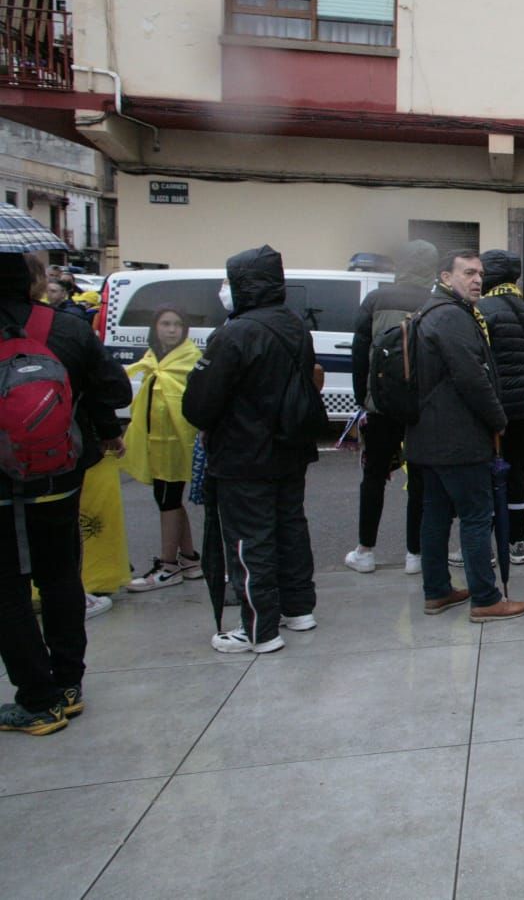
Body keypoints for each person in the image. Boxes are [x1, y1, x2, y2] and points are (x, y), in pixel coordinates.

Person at [0, 253, 130, 735]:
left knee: (7, 589)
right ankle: (69, 686)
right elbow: (115, 390)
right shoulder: (68, 329)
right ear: (32, 280)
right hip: (59, 478)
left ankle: (37, 699)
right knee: (59, 577)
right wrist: (98, 424)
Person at [182, 247, 324, 654]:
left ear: (244, 284)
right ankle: (299, 608)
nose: (225, 291)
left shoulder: (234, 334)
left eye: (229, 282)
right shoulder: (296, 325)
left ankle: (259, 628)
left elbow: (200, 404)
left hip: (244, 453)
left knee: (249, 539)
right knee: (290, 527)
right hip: (291, 446)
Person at [407, 251, 524, 624]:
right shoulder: (451, 317)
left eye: (480, 274)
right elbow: (472, 378)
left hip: (427, 435)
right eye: (468, 273)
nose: (477, 280)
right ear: (447, 276)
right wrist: (498, 419)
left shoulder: (431, 311)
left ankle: (438, 591)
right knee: (477, 516)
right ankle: (486, 598)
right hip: (458, 437)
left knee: (437, 514)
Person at [346, 240, 436, 576]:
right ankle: (416, 553)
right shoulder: (435, 302)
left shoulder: (375, 300)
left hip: (380, 405)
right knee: (420, 479)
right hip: (422, 407)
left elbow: (359, 354)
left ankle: (365, 550)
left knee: (373, 476)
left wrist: (363, 399)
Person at [476, 250, 524, 566]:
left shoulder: (480, 310)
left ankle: (487, 547)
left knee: (487, 476)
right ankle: (518, 542)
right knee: (517, 474)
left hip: (491, 411)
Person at [123, 307, 204, 591]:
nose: (171, 329)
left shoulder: (190, 359)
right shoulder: (154, 358)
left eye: (177, 324)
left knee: (168, 499)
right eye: (165, 323)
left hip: (177, 444)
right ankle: (190, 560)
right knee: (168, 499)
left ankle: (168, 566)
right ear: (155, 327)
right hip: (156, 442)